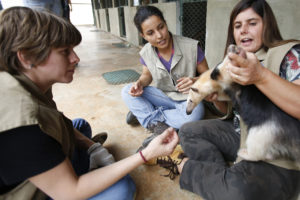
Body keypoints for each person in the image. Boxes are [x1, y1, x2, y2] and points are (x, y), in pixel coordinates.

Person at [0, 7, 179, 200]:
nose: (76, 58)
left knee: (79, 126)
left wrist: (92, 147)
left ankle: (78, 163)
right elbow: (69, 192)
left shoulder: (29, 79)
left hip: (36, 154)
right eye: (64, 51)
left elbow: (57, 118)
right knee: (121, 189)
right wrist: (146, 155)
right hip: (43, 191)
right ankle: (75, 171)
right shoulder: (21, 122)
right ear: (27, 57)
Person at [177, 0, 300, 199]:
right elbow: (228, 109)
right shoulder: (232, 63)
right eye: (237, 26)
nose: (243, 30)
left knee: (238, 193)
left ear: (267, 25)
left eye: (252, 23)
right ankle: (225, 177)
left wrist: (260, 76)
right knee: (187, 131)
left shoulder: (289, 55)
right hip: (240, 134)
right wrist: (215, 98)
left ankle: (197, 172)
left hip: (277, 151)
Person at [121, 6, 208, 149]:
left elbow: (208, 77)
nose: (159, 35)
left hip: (188, 99)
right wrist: (140, 84)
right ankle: (157, 123)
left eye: (161, 27)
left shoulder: (191, 47)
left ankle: (147, 115)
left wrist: (194, 80)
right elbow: (146, 75)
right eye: (150, 33)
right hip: (164, 96)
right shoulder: (146, 52)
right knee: (126, 91)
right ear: (144, 36)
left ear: (166, 24)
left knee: (195, 115)